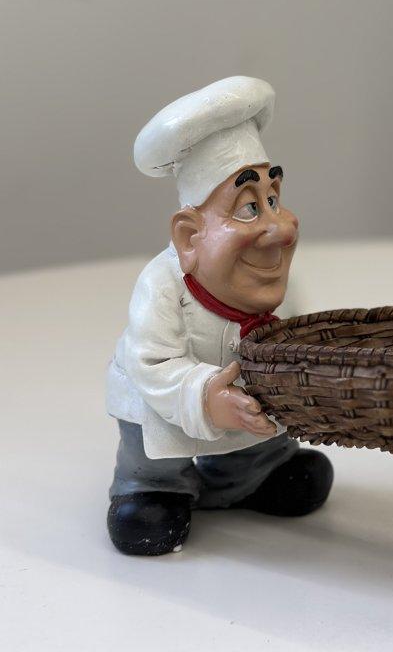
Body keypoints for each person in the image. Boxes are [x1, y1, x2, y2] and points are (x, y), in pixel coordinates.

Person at [106, 76, 333, 556]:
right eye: (249, 208)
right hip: (165, 402)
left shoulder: (275, 283)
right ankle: (154, 491)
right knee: (155, 451)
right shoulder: (161, 285)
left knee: (259, 444)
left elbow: (296, 337)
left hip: (251, 404)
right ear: (189, 236)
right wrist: (205, 398)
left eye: (274, 200)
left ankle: (251, 477)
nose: (279, 229)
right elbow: (152, 364)